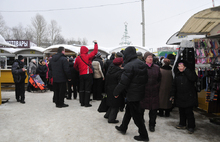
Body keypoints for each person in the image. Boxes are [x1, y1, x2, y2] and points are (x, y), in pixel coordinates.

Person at [114, 46, 149, 141]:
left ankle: (144, 135)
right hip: (139, 92)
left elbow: (123, 82)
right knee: (128, 111)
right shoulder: (142, 63)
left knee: (137, 116)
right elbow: (146, 79)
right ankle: (123, 127)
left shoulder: (129, 65)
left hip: (133, 93)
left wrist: (116, 92)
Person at [170, 60, 198, 134]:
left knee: (189, 112)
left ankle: (191, 126)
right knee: (181, 111)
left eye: (182, 66)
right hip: (180, 96)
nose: (180, 68)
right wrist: (172, 95)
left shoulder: (190, 72)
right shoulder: (177, 74)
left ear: (185, 66)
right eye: (179, 66)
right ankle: (182, 124)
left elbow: (194, 78)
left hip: (189, 96)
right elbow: (174, 86)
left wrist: (186, 70)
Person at [140, 52, 161, 132]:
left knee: (153, 110)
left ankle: (152, 125)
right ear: (145, 58)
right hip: (144, 91)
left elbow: (159, 78)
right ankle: (141, 122)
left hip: (154, 92)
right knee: (141, 109)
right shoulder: (141, 67)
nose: (150, 58)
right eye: (148, 57)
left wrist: (157, 86)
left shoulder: (156, 68)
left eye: (151, 57)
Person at [74, 40, 98, 107]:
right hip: (88, 74)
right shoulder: (88, 56)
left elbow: (75, 66)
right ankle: (86, 103)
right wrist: (95, 43)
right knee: (87, 88)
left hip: (81, 74)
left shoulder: (78, 58)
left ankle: (82, 102)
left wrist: (79, 70)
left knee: (81, 88)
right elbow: (95, 52)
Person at [104, 57, 124, 123]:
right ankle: (112, 119)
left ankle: (107, 114)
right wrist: (118, 92)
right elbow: (120, 83)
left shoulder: (110, 69)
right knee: (116, 105)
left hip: (109, 88)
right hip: (115, 89)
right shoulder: (119, 72)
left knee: (111, 102)